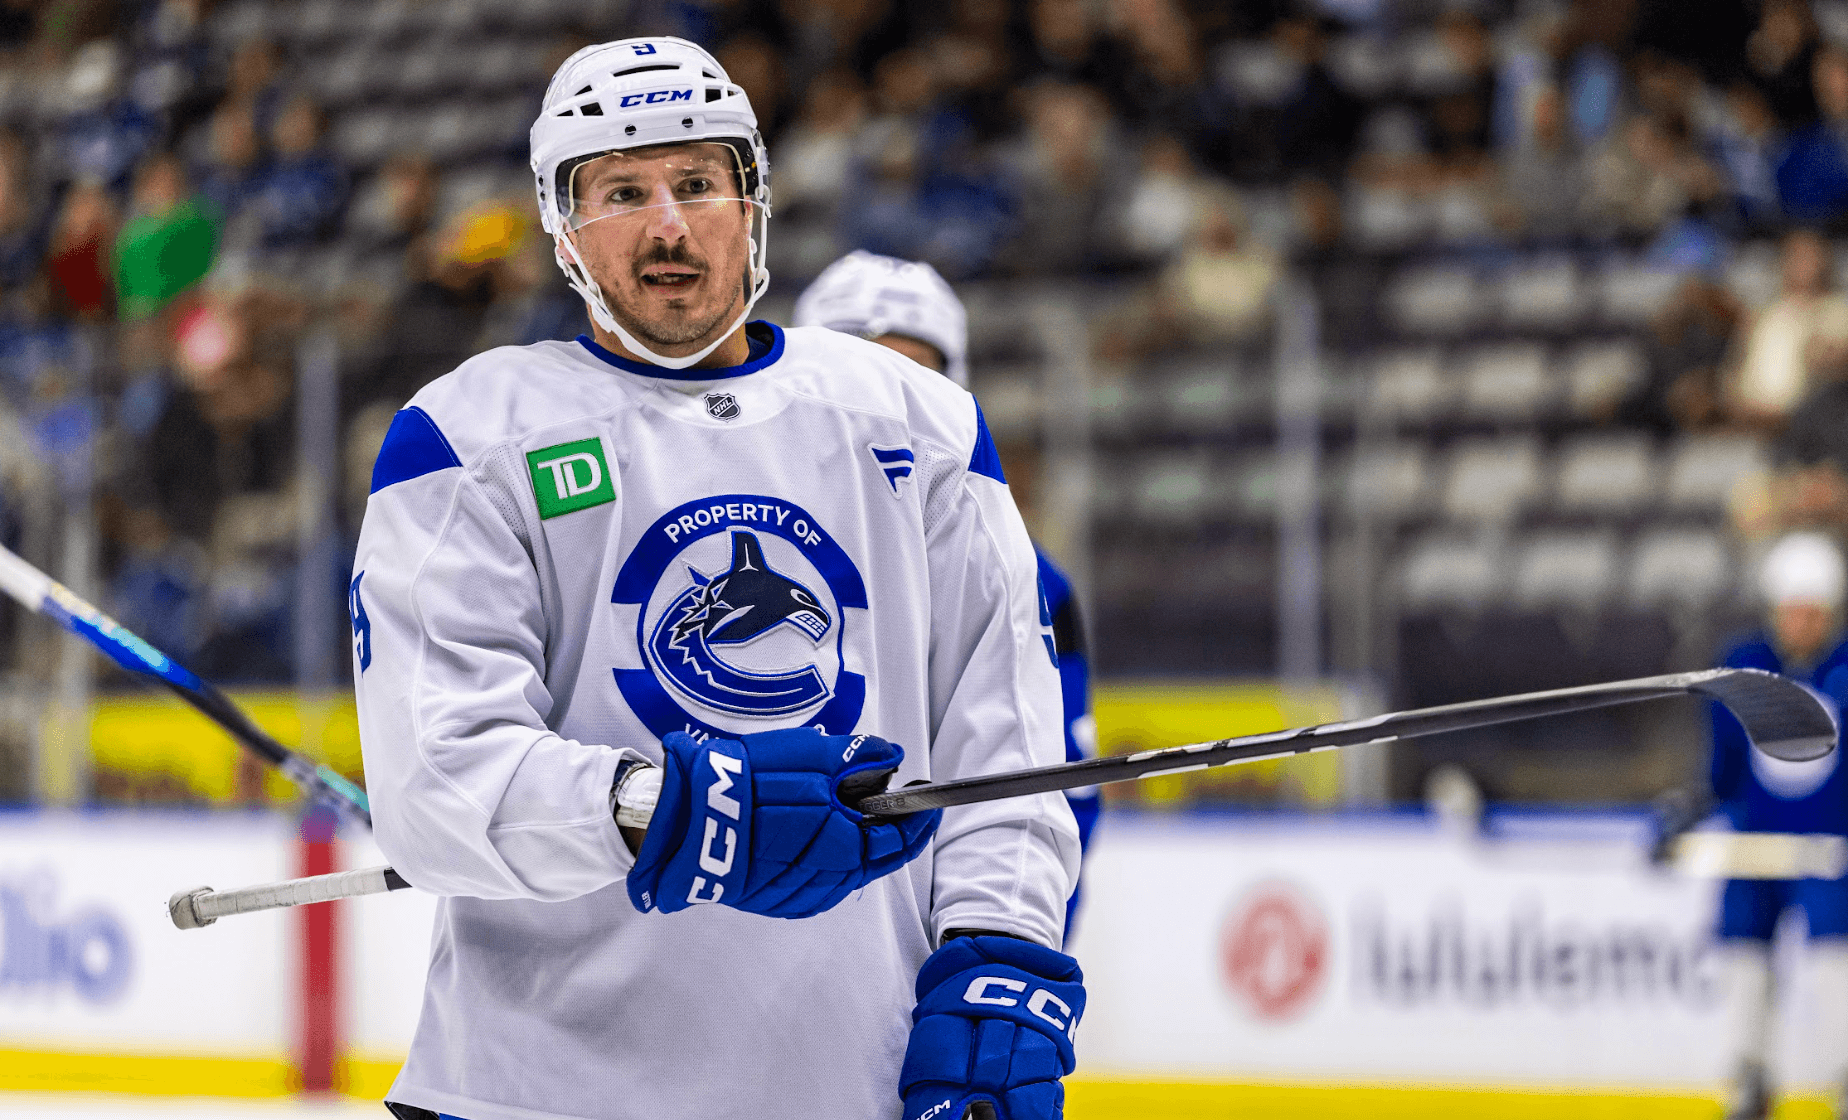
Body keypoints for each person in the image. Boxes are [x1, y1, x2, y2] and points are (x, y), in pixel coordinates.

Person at [349, 37, 1083, 1120]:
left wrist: (1002, 954)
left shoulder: (919, 423)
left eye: (698, 182)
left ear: (753, 199)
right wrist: (662, 806)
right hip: (533, 1093)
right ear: (563, 223)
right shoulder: (464, 438)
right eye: (621, 192)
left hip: (850, 1085)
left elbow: (1004, 743)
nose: (668, 224)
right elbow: (436, 784)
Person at [792, 249, 1101, 936]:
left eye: (917, 376)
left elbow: (1056, 789)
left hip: (920, 942)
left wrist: (1009, 953)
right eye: (867, 369)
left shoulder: (1030, 580)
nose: (890, 404)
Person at [1710, 532, 1848, 1120]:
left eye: (1812, 611)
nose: (1801, 622)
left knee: (1834, 965)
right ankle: (1747, 1081)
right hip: (1756, 847)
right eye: (1792, 609)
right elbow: (1722, 770)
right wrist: (1695, 805)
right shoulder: (1744, 667)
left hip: (1830, 850)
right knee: (1743, 958)